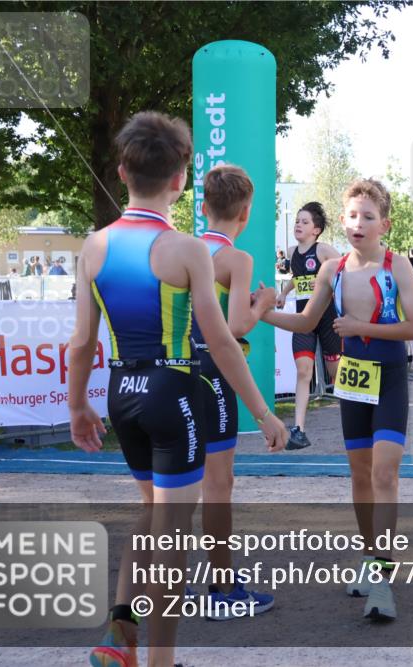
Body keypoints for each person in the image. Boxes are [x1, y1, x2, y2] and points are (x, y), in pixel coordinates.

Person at [67, 111, 287, 667]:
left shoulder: (93, 246)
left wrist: (77, 405)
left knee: (153, 512)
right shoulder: (186, 249)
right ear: (180, 179)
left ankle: (119, 632)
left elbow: (81, 343)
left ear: (122, 172)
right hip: (173, 392)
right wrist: (264, 413)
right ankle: (159, 660)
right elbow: (223, 342)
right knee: (171, 533)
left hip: (121, 391)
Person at [261, 178, 413, 621]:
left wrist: (360, 328)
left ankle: (383, 579)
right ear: (342, 220)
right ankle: (370, 557)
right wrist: (262, 313)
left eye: (368, 217)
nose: (358, 224)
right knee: (360, 476)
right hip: (353, 383)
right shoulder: (331, 270)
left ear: (384, 224)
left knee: (385, 474)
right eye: (352, 216)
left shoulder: (397, 266)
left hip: (390, 378)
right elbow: (306, 322)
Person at [183, 164, 280, 619]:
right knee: (218, 485)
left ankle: (170, 581)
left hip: (174, 370)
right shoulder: (235, 259)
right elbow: (237, 325)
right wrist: (265, 302)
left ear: (203, 208)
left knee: (176, 481)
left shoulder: (182, 249)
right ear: (245, 214)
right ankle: (222, 588)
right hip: (212, 370)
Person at [276, 201, 343, 450]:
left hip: (327, 319)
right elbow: (298, 277)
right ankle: (299, 430)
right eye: (297, 221)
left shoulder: (323, 250)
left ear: (316, 230)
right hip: (303, 319)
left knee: (337, 374)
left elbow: (346, 271)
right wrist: (284, 293)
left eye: (304, 222)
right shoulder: (292, 252)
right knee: (303, 372)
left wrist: (329, 283)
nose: (298, 225)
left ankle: (359, 419)